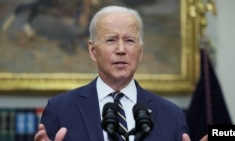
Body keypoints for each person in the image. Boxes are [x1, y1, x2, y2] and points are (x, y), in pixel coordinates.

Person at [34, 5, 208, 141]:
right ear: (93, 51)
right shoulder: (60, 110)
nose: (121, 49)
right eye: (111, 40)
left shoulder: (171, 115)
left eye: (129, 40)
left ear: (140, 52)